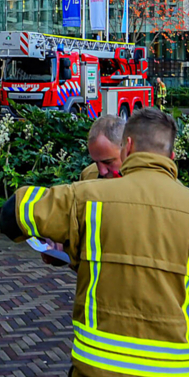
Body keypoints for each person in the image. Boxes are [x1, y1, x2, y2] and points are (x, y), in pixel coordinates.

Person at [0, 108, 189, 377]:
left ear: (127, 146)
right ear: (172, 156)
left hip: (97, 369)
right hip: (177, 372)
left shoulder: (85, 198)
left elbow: (12, 214)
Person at [41, 115, 126, 268]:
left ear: (127, 149)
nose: (101, 170)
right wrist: (62, 249)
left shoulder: (146, 184)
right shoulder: (88, 175)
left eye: (108, 162)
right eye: (95, 161)